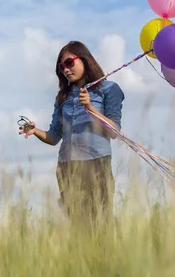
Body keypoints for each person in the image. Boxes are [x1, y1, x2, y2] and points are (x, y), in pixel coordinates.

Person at [18, 40, 125, 223]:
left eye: (69, 62)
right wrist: (35, 130)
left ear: (85, 60)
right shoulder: (63, 97)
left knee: (100, 222)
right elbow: (53, 137)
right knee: (77, 226)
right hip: (67, 166)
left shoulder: (109, 89)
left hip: (96, 163)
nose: (65, 70)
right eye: (61, 67)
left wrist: (90, 108)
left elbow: (114, 131)